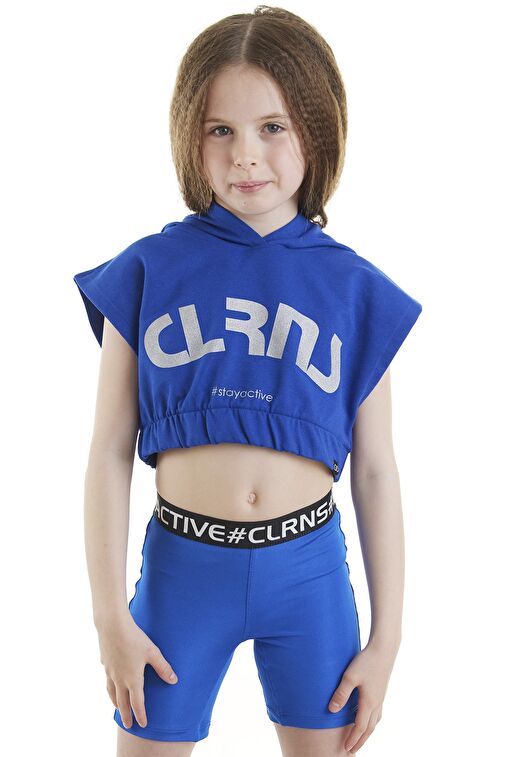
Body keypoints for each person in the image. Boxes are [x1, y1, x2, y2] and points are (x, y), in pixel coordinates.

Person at [73, 6, 422, 757]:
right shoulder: (147, 271)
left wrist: (386, 639)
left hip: (310, 575)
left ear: (316, 129)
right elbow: (106, 450)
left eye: (272, 127)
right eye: (219, 130)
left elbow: (376, 470)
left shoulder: (355, 289)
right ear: (188, 135)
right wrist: (109, 616)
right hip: (181, 572)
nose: (245, 157)